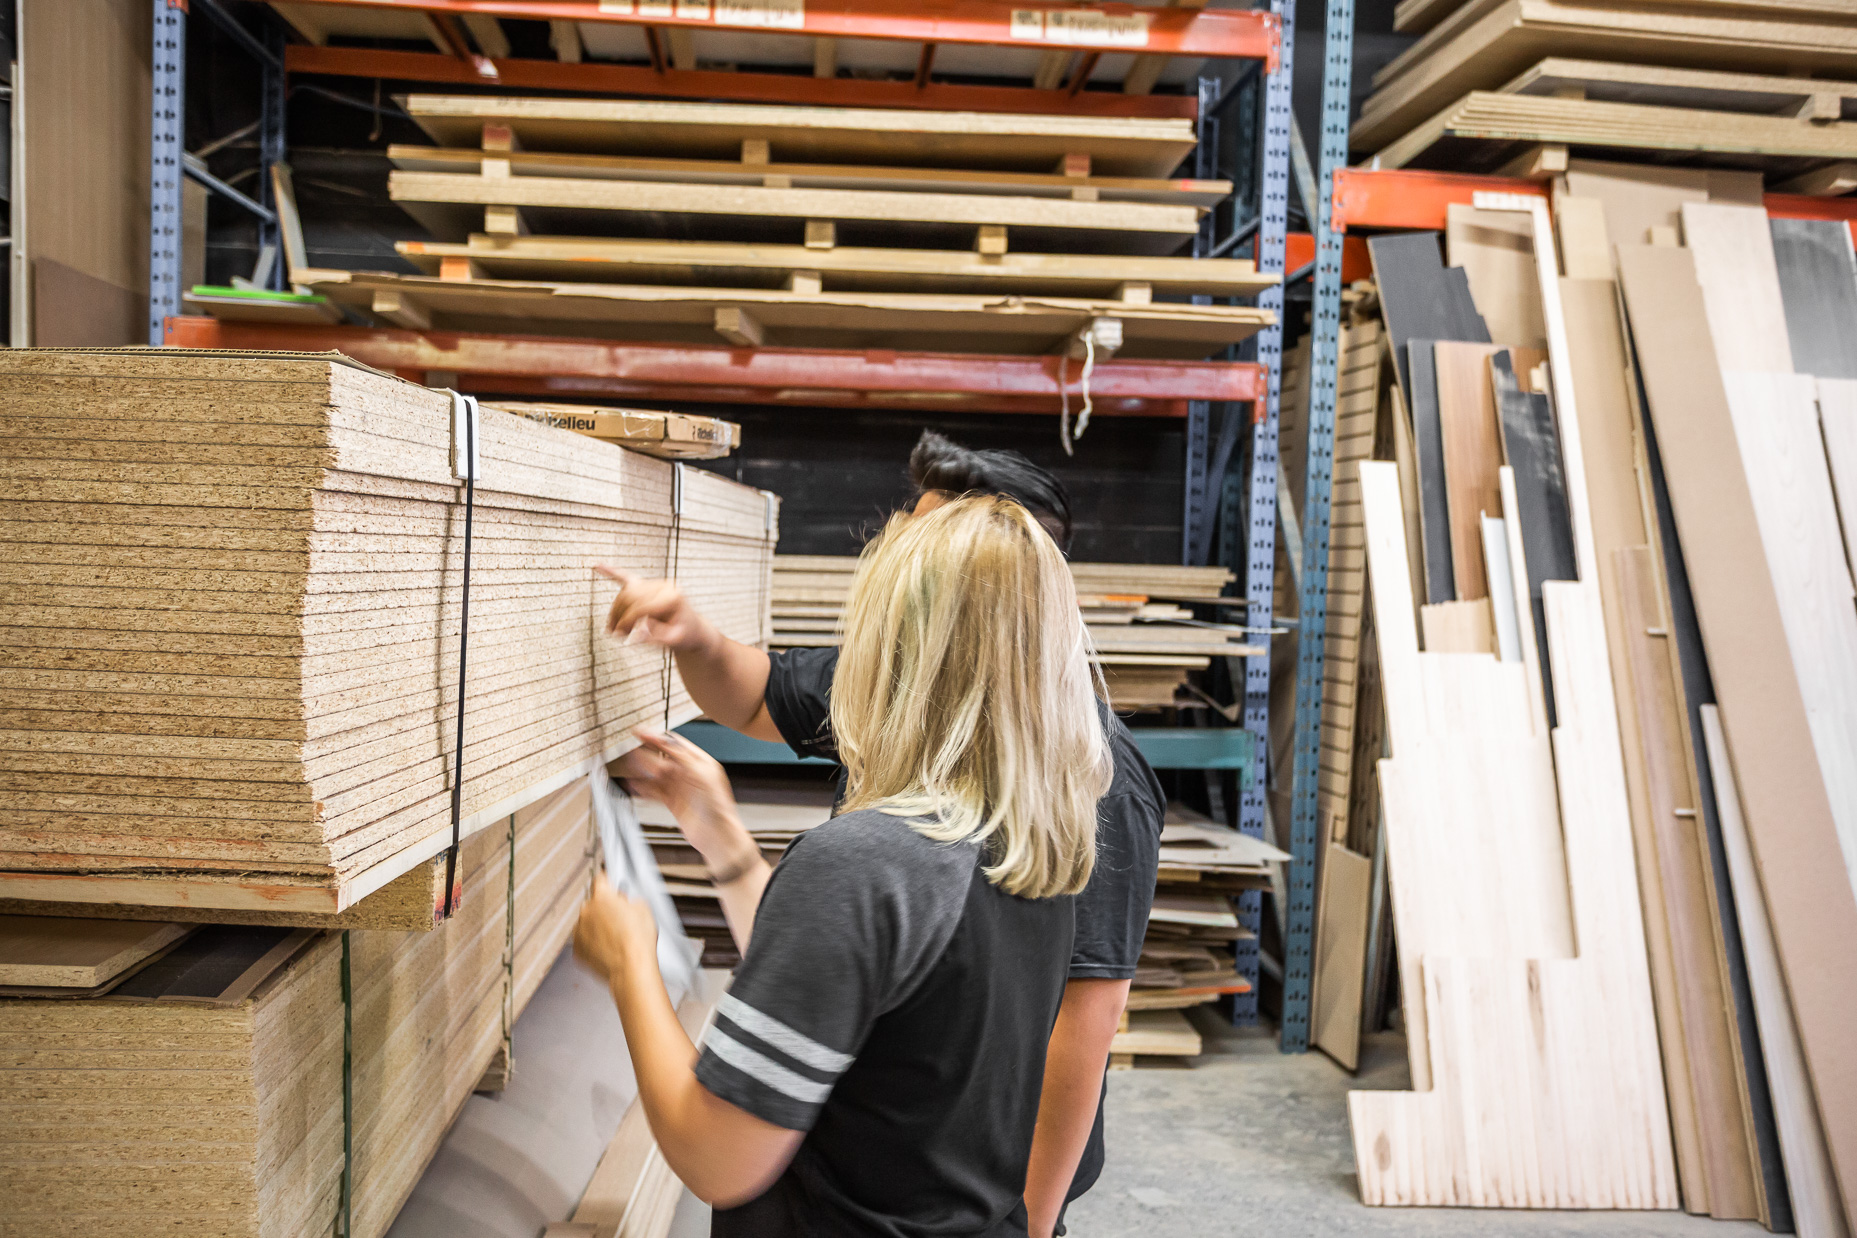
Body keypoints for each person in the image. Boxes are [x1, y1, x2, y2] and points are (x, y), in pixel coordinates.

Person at [597, 431, 1165, 1237]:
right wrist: (723, 840)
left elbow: (716, 1155)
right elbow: (866, 983)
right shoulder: (1038, 839)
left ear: (902, 640)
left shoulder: (868, 863)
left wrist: (629, 962)